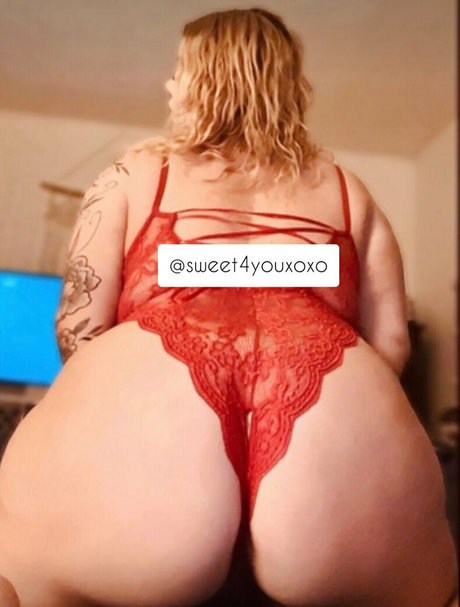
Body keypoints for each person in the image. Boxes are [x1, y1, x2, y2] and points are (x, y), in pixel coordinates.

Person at [0, 7, 457, 607]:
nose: (169, 85)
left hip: (153, 418)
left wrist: (106, 397)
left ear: (202, 80)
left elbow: (79, 327)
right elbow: (392, 342)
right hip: (330, 439)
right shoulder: (348, 191)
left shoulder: (133, 175)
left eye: (178, 71)